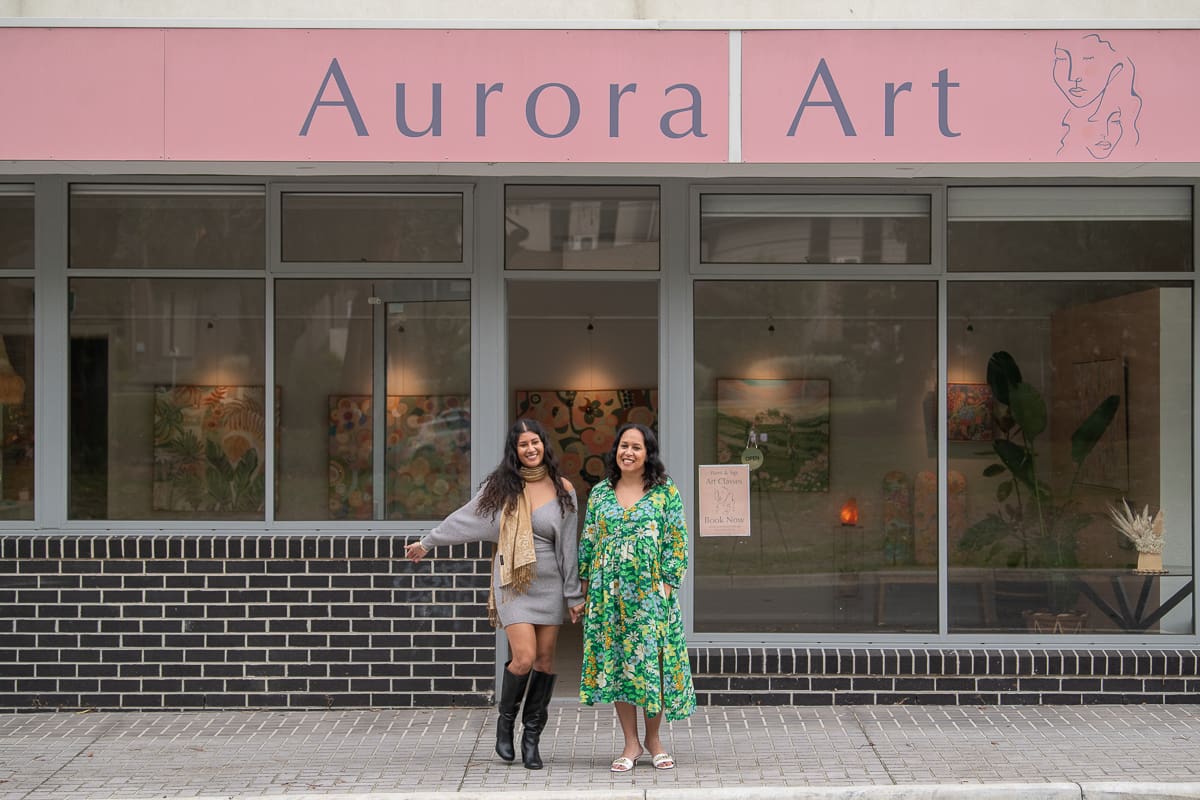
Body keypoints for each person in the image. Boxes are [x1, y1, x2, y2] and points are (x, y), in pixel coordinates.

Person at [404, 419, 583, 770]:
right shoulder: (501, 487)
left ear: (544, 444)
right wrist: (428, 542)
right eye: (523, 444)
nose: (530, 449)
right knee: (524, 658)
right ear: (514, 451)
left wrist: (573, 595)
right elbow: (465, 520)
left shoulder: (563, 489)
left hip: (549, 587)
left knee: (546, 662)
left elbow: (569, 548)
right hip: (513, 584)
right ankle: (505, 724)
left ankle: (531, 739)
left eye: (535, 442)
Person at [577, 422, 696, 773]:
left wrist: (668, 586)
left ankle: (654, 740)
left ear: (648, 454)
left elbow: (677, 540)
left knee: (651, 667)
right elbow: (588, 542)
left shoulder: (664, 491)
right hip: (608, 597)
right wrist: (584, 592)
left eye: (636, 447)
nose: (628, 452)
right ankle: (630, 743)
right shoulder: (600, 492)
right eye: (623, 445)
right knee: (618, 666)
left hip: (650, 597)